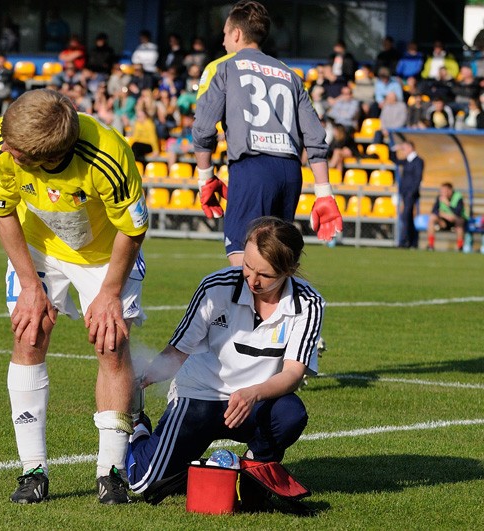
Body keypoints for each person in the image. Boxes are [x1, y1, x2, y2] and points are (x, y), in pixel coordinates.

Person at [0, 89, 148, 505]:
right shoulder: (3, 142)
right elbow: (2, 212)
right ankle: (32, 470)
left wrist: (110, 292)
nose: (6, 150)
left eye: (16, 151)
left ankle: (111, 473)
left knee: (111, 344)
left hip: (103, 254)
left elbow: (133, 229)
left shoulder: (109, 158)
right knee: (28, 333)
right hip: (39, 247)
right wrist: (28, 285)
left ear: (44, 158)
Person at [126, 217, 323, 500]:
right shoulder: (215, 286)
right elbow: (179, 348)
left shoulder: (309, 303)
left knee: (290, 414)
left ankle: (254, 468)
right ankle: (140, 429)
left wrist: (252, 394)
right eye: (248, 267)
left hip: (255, 402)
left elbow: (293, 373)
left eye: (265, 276)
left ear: (289, 270)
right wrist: (147, 375)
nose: (252, 280)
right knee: (144, 485)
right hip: (200, 396)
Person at [192, 0, 342, 266]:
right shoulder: (290, 74)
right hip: (289, 173)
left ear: (236, 34)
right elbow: (316, 139)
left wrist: (206, 178)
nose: (223, 40)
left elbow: (204, 129)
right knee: (277, 262)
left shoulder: (223, 67)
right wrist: (324, 193)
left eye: (225, 33)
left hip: (252, 168)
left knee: (245, 264)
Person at [395, 141, 423, 249]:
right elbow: (395, 160)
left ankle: (403, 242)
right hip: (405, 193)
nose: (403, 150)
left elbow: (418, 178)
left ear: (411, 148)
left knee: (405, 216)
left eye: (405, 148)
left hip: (411, 193)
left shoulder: (418, 161)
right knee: (408, 218)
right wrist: (394, 150)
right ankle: (413, 242)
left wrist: (412, 192)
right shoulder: (407, 161)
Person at [427, 182, 466, 251]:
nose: (442, 192)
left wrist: (448, 204)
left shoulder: (458, 197)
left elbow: (458, 212)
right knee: (432, 218)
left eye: (444, 191)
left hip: (455, 221)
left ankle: (460, 247)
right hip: (444, 221)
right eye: (441, 191)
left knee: (459, 221)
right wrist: (444, 215)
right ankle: (431, 245)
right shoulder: (440, 197)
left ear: (450, 190)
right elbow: (434, 211)